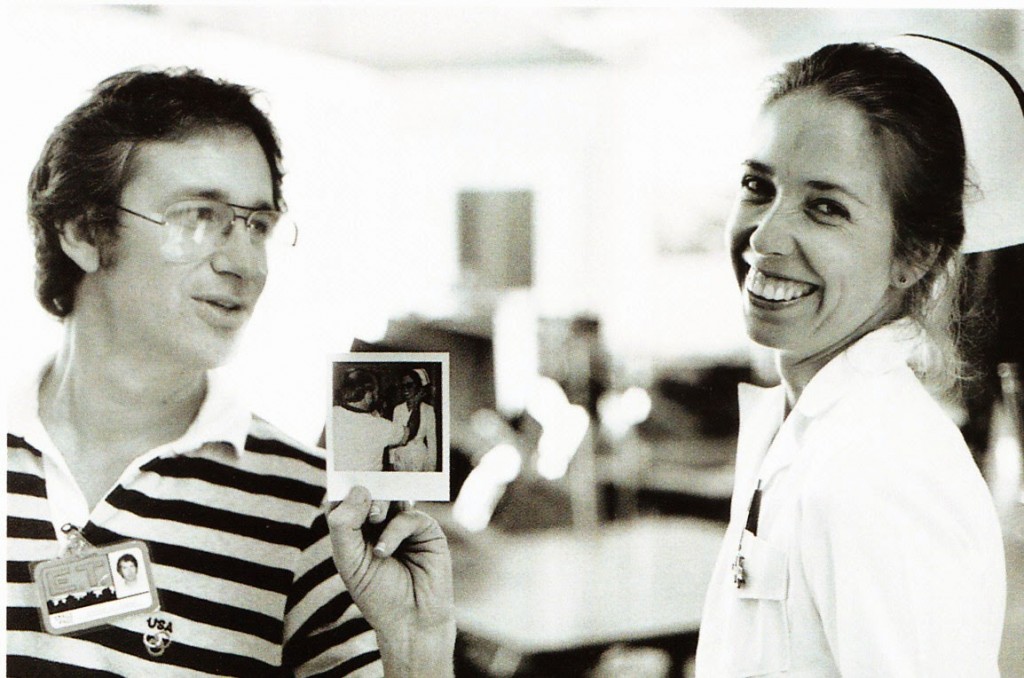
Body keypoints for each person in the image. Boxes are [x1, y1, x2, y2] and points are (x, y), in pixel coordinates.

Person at [7, 67, 454, 676]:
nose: (246, 264)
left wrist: (416, 649)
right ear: (85, 232)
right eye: (197, 216)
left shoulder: (318, 517)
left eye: (258, 226)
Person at [695, 37, 1022, 676]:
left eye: (825, 207)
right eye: (758, 186)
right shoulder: (808, 430)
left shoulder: (883, 469)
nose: (763, 237)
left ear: (915, 256)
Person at [332, 368, 420, 472]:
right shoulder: (379, 426)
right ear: (368, 394)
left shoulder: (333, 413)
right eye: (376, 392)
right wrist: (416, 405)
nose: (377, 396)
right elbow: (410, 432)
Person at [390, 368, 438, 472]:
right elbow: (394, 437)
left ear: (418, 387)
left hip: (419, 459)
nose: (405, 390)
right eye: (403, 386)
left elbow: (432, 440)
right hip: (401, 458)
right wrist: (391, 461)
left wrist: (431, 467)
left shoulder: (428, 410)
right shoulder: (398, 409)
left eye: (409, 385)